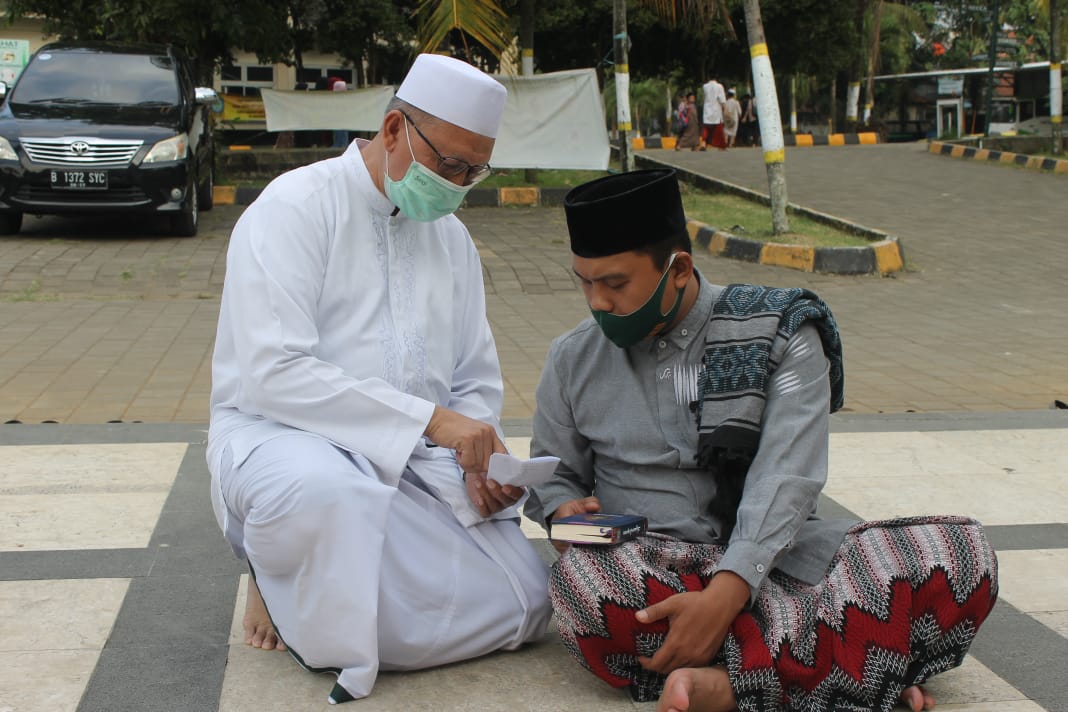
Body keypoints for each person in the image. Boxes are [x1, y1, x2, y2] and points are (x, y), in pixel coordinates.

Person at [523, 169, 998, 712]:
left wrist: (725, 597)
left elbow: (786, 478)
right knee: (582, 584)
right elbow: (554, 472)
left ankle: (724, 686)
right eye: (584, 282)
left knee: (959, 558)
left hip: (781, 562)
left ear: (678, 269)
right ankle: (849, 670)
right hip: (652, 567)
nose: (597, 302)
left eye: (614, 284)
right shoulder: (571, 358)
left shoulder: (782, 332)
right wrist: (565, 511)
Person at [207, 53, 552, 704]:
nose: (457, 185)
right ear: (394, 130)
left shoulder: (451, 240)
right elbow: (274, 374)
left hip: (414, 457)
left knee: (528, 602)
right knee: (329, 491)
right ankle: (275, 572)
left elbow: (473, 379)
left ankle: (311, 593)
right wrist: (431, 422)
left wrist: (479, 452)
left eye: (475, 171)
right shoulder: (294, 209)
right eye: (449, 165)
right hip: (284, 441)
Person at [700, 74, 727, 150]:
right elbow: (722, 99)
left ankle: (703, 143)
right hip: (716, 110)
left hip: (707, 109)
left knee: (706, 128)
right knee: (718, 129)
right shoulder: (719, 86)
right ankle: (720, 146)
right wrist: (725, 109)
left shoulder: (705, 86)